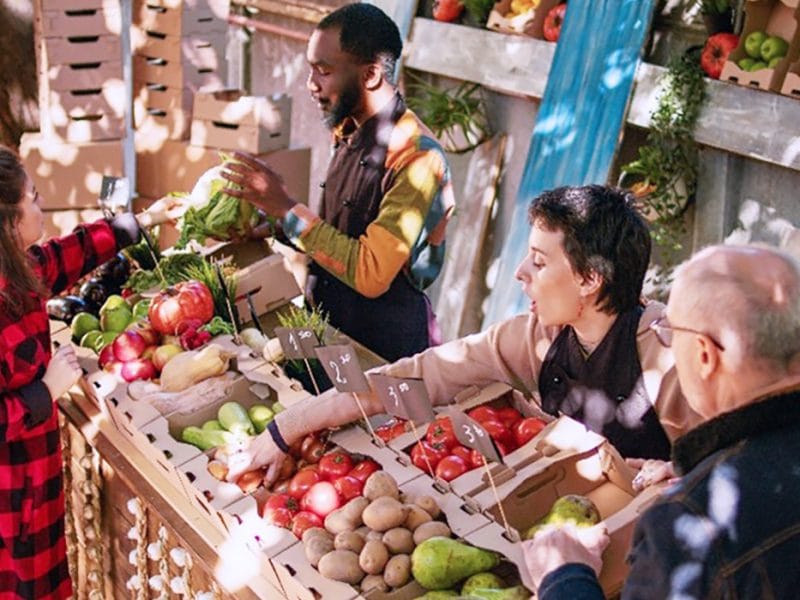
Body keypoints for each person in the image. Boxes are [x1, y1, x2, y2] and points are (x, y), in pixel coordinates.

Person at [227, 184, 700, 483]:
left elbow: (745, 469)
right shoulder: (538, 338)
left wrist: (679, 474)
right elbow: (415, 378)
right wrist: (287, 426)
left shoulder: (665, 359)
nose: (519, 272)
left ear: (590, 279)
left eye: (539, 261)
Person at [523, 244, 800, 600]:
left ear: (704, 355)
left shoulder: (690, 527)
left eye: (670, 333)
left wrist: (563, 576)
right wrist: (698, 472)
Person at [220, 3, 455, 362]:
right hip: (331, 331)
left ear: (371, 75)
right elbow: (340, 237)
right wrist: (277, 224)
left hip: (383, 353)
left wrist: (288, 208)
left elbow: (371, 272)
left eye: (323, 71)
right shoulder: (350, 128)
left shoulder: (418, 158)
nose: (311, 85)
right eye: (311, 70)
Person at [0, 145, 169, 599]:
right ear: (11, 223)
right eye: (33, 199)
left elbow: (62, 257)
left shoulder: (18, 269)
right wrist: (44, 391)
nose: (41, 206)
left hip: (33, 494)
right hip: (9, 510)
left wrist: (138, 224)